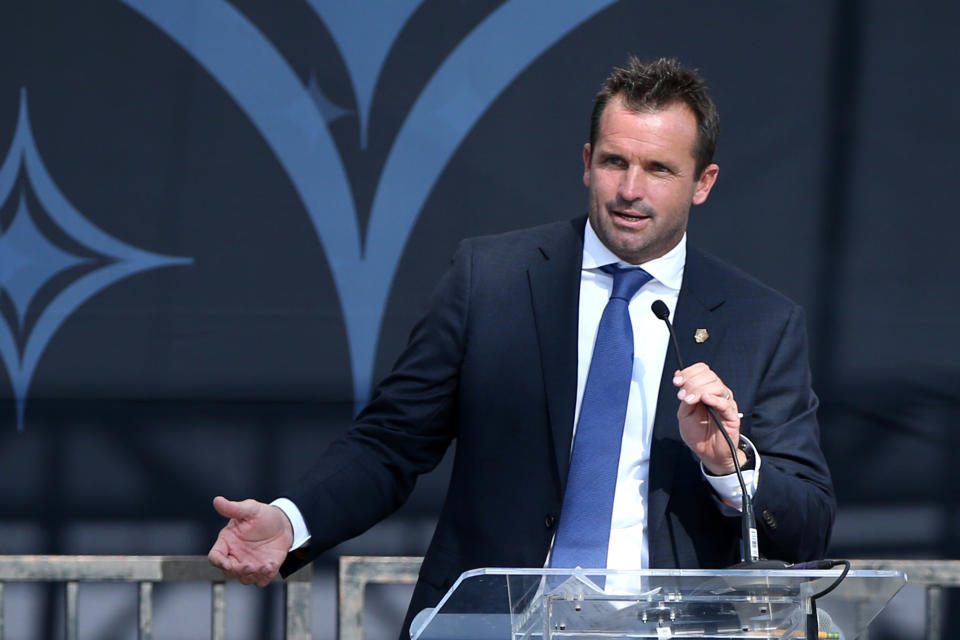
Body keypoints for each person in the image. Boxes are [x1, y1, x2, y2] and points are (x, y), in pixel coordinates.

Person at [208, 57, 835, 638]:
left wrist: (731, 464)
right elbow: (391, 441)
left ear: (703, 182)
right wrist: (292, 522)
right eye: (616, 162)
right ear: (587, 161)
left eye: (660, 169)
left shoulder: (761, 322)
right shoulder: (493, 278)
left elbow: (807, 520)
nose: (630, 190)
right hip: (496, 627)